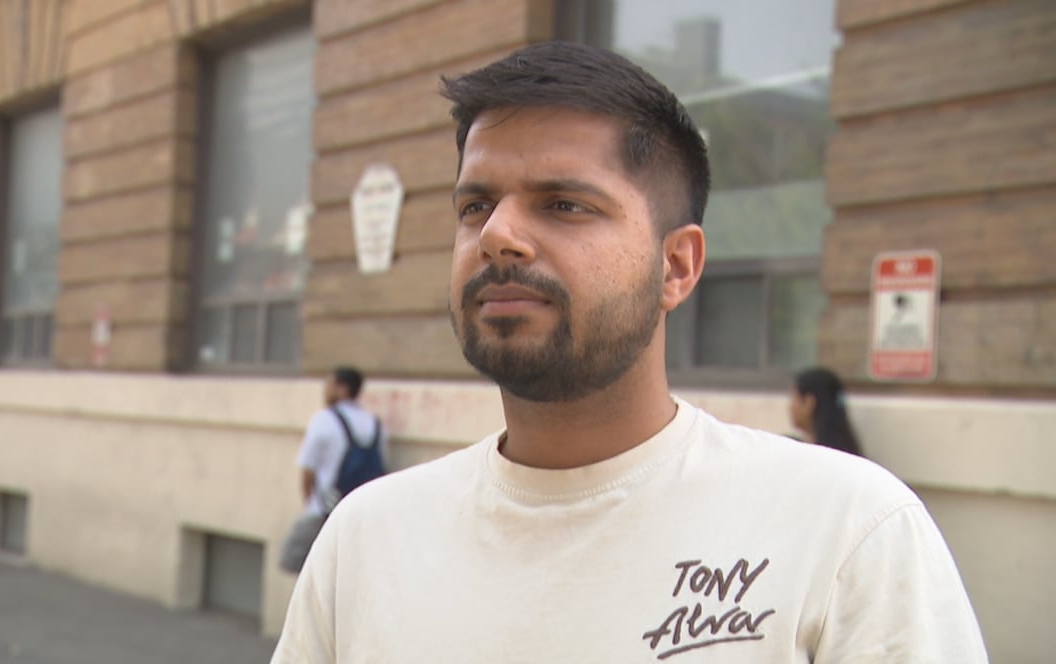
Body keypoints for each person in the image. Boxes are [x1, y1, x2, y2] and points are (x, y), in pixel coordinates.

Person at [271, 42, 986, 662]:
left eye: (564, 204)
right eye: (475, 205)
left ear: (676, 266)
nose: (497, 234)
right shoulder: (366, 539)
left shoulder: (846, 532)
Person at [279, 366, 387, 574]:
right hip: (361, 514)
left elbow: (308, 470)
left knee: (294, 562)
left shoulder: (324, 419)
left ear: (343, 389)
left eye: (329, 385)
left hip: (324, 510)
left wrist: (311, 503)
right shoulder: (374, 423)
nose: (325, 390)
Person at [789, 367, 863, 456]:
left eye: (794, 398)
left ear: (809, 403)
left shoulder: (809, 455)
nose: (790, 407)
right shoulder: (849, 454)